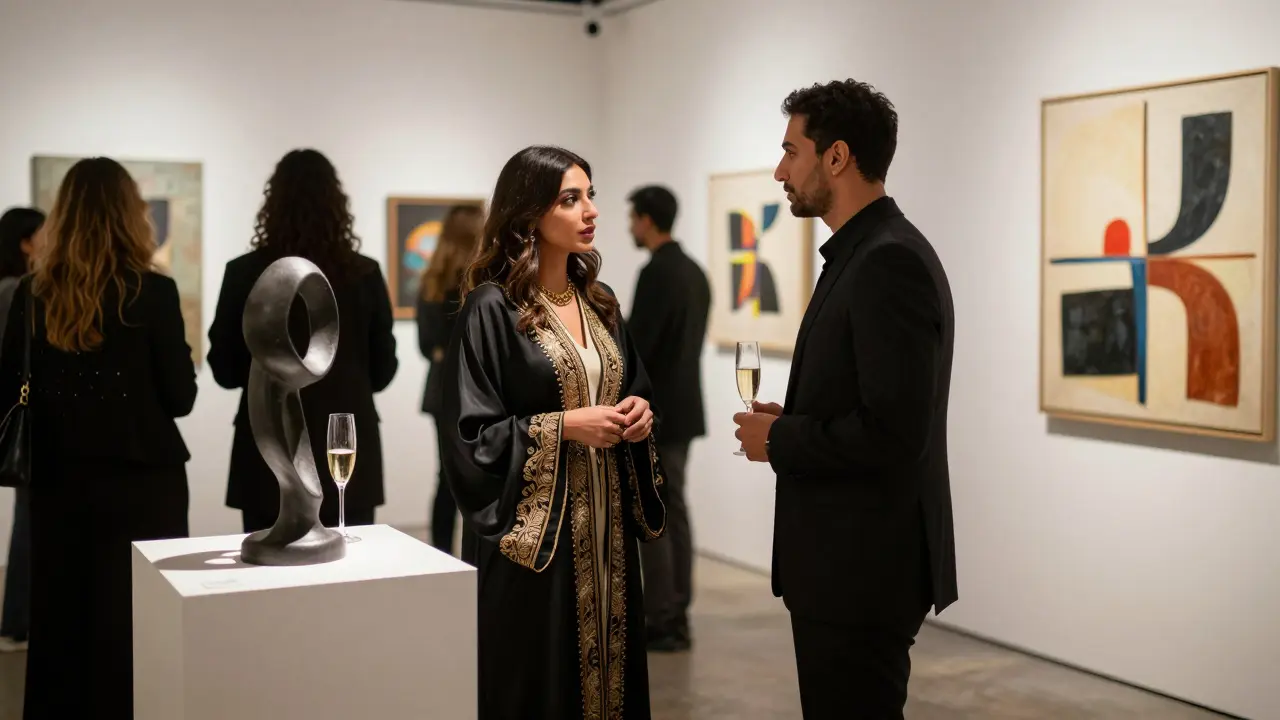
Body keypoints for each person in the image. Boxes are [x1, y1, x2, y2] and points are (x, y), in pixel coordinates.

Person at [731, 79, 957, 718]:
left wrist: (781, 440)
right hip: (848, 565)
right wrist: (795, 420)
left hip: (862, 569)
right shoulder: (864, 253)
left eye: (790, 151)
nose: (780, 170)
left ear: (837, 157)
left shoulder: (888, 262)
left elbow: (893, 432)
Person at [440, 145, 666, 719]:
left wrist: (640, 412)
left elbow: (633, 384)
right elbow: (470, 439)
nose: (590, 211)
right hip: (536, 550)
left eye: (591, 195)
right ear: (529, 213)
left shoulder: (602, 304)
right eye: (571, 199)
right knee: (539, 683)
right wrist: (565, 426)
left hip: (608, 537)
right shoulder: (491, 310)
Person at [0, 157, 197, 718]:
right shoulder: (154, 293)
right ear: (129, 216)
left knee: (62, 625)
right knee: (138, 627)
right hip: (144, 486)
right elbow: (181, 397)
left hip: (59, 485)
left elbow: (9, 385)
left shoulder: (32, 294)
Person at [208, 149, 398, 533]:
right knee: (352, 578)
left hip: (268, 450)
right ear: (337, 205)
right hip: (344, 444)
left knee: (265, 581)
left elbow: (225, 371)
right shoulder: (364, 273)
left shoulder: (244, 272)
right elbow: (383, 369)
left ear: (271, 203)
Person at [625, 184, 710, 652]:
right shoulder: (695, 272)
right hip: (685, 409)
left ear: (647, 220)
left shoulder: (656, 273)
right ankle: (676, 609)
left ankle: (661, 616)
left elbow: (639, 346)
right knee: (674, 509)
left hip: (655, 412)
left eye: (632, 217)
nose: (629, 227)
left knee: (654, 512)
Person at [417, 204, 484, 555]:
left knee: (446, 479)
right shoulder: (478, 282)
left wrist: (444, 351)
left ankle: (441, 555)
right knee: (477, 478)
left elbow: (427, 345)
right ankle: (473, 558)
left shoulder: (432, 280)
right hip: (471, 388)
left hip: (442, 388)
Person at [0, 206, 43, 653]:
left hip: (16, 416)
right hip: (28, 420)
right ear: (25, 242)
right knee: (31, 521)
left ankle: (17, 620)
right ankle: (19, 622)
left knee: (25, 520)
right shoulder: (16, 290)